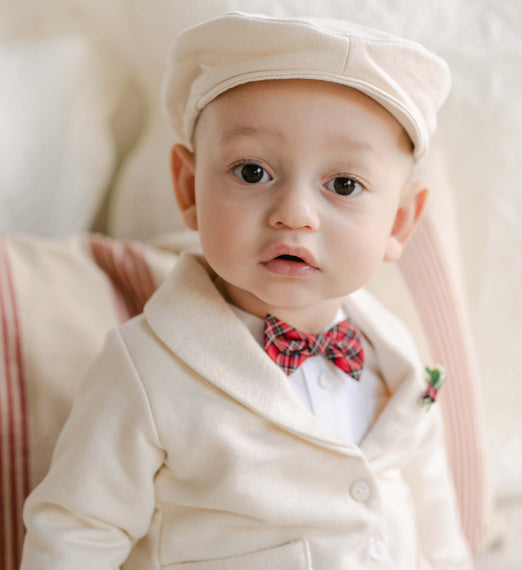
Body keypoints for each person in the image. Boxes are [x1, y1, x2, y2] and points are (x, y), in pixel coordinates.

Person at [20, 12, 473, 570]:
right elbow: (77, 532)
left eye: (344, 185)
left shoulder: (395, 354)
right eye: (253, 172)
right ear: (189, 188)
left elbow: (431, 511)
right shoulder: (147, 370)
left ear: (400, 223)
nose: (295, 215)